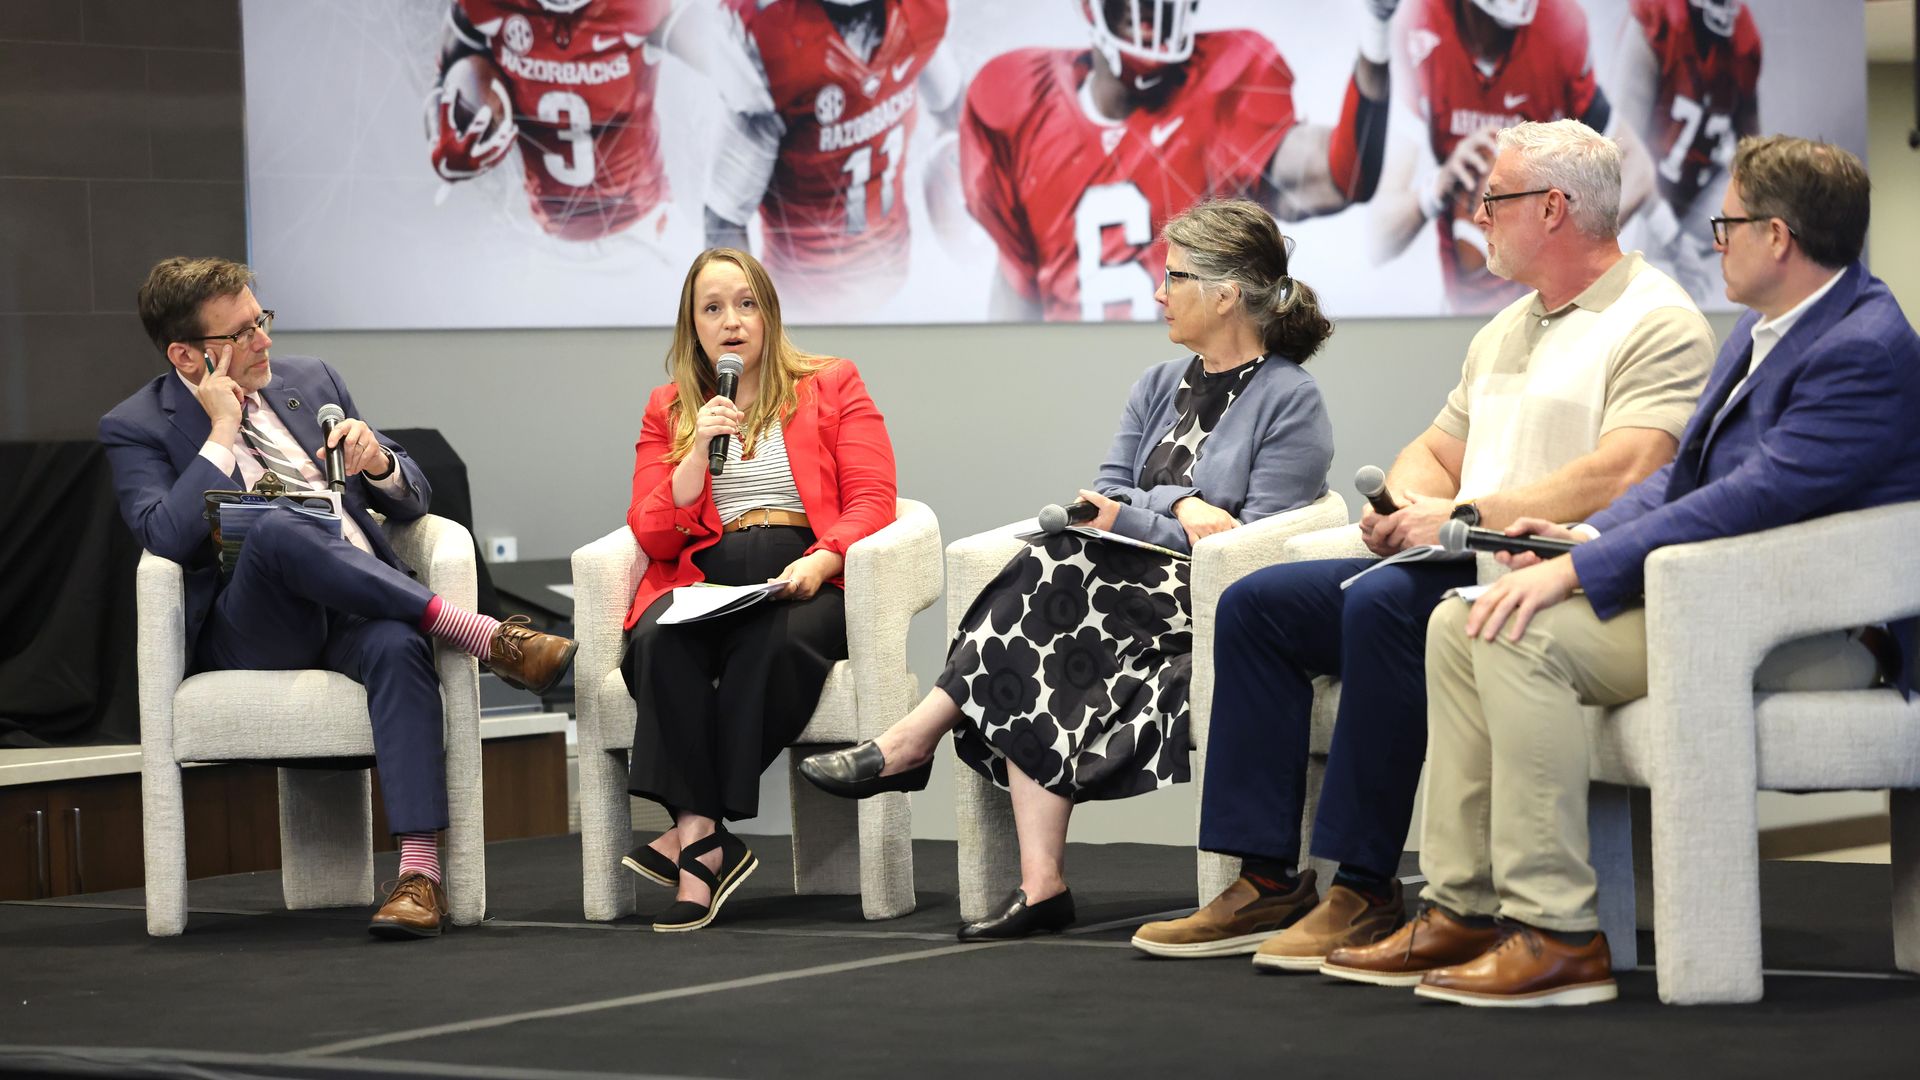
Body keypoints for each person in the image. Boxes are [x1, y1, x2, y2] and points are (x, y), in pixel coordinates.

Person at [1322, 135, 1920, 1006]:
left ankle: (1558, 934)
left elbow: (1755, 499)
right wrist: (1578, 536)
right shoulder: (1764, 331)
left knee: (1520, 633)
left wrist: (1574, 571)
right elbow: (1684, 481)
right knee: (1462, 621)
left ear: (1779, 237)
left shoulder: (1866, 345)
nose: (1719, 239)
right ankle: (1464, 907)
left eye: (1731, 222)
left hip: (1813, 630)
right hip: (1713, 604)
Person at [1133, 120, 1714, 965]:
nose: (1476, 214)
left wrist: (1462, 514)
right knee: (1258, 605)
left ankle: (1365, 888)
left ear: (1553, 208)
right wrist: (1406, 501)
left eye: (1495, 200)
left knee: (1380, 606)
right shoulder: (1506, 329)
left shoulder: (1655, 319)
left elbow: (1629, 470)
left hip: (1543, 572)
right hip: (1454, 555)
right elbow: (1432, 449)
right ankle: (1266, 878)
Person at [800, 198, 1337, 939]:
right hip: (1107, 592)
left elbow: (1248, 544)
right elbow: (1109, 492)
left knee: (1054, 561)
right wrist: (1179, 505)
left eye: (1173, 276)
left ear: (1224, 294)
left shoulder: (1291, 400)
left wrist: (1142, 518)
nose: (1157, 291)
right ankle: (1040, 883)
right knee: (1048, 609)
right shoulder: (1157, 383)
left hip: (1208, 605)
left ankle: (913, 740)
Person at [99, 257, 577, 940]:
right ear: (187, 354)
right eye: (241, 333)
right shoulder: (136, 424)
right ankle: (479, 633)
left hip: (358, 607)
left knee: (396, 642)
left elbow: (416, 495)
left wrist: (377, 463)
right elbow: (164, 538)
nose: (264, 340)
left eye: (262, 319)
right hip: (254, 626)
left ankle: (419, 877)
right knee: (275, 524)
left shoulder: (311, 380)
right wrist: (222, 434)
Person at [619, 247, 898, 932]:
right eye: (713, 309)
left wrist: (825, 560)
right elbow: (652, 536)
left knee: (768, 650)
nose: (732, 322)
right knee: (655, 641)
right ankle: (707, 833)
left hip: (800, 570)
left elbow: (873, 498)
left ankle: (694, 839)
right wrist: (691, 460)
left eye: (746, 304)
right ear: (693, 326)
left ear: (769, 314)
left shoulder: (832, 383)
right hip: (707, 576)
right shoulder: (670, 408)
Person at [959, 0, 1399, 322]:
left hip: (1195, 382)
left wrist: (1377, 31)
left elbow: (1343, 177)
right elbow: (1016, 289)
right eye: (1136, 11)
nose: (1147, 18)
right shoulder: (1020, 104)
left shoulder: (1222, 88)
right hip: (1070, 378)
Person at [1367, 0, 1656, 314]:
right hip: (1458, 309)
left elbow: (1637, 172)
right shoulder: (1421, 22)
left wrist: (1565, 245)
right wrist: (1437, 189)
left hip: (1545, 310)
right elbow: (1378, 236)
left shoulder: (1558, 23)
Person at [427, 0, 770, 241]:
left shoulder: (643, 9)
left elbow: (749, 84)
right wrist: (444, 144)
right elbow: (443, 86)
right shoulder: (486, 7)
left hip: (647, 227)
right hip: (547, 233)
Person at [705, 0, 959, 319]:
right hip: (803, 306)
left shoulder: (917, 17)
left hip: (898, 279)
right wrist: (749, 328)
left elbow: (955, 111)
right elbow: (724, 218)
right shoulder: (773, 44)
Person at [1610, 0, 1762, 299]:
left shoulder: (1744, 39)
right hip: (1644, 192)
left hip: (1704, 190)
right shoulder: (1656, 23)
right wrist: (1672, 238)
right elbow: (1622, 153)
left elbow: (1754, 154)